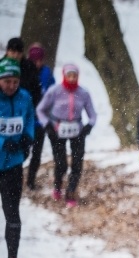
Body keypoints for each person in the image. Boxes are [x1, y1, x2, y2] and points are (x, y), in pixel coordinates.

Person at [36, 64, 96, 208]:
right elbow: (40, 110)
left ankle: (70, 192)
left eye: (74, 75)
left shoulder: (83, 93)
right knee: (61, 162)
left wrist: (88, 126)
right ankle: (57, 185)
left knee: (77, 163)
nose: (72, 78)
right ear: (64, 75)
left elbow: (92, 114)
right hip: (57, 130)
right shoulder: (54, 91)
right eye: (69, 75)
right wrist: (47, 126)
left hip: (77, 131)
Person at [0, 57, 35, 258]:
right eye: (7, 81)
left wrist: (26, 141)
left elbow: (30, 121)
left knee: (13, 214)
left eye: (15, 81)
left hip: (13, 166)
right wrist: (4, 142)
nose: (11, 85)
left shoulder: (25, 98)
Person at [25, 43, 55, 190]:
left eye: (40, 60)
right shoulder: (24, 71)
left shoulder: (47, 73)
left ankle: (30, 181)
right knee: (21, 151)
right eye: (34, 60)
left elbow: (54, 92)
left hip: (40, 121)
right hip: (25, 121)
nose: (37, 63)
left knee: (36, 153)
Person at [3, 38, 41, 109]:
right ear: (7, 51)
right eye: (13, 52)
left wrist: (31, 107)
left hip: (24, 107)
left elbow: (36, 90)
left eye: (19, 53)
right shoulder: (1, 66)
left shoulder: (29, 67)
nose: (15, 56)